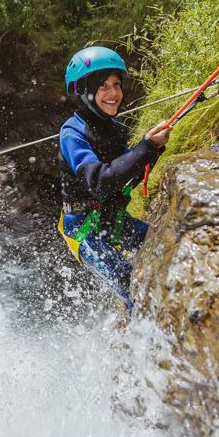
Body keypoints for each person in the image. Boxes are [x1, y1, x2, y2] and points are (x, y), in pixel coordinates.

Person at [58, 46, 170, 313]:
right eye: (103, 86)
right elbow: (98, 182)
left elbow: (126, 179)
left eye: (116, 85)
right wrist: (145, 148)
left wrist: (152, 150)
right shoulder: (72, 134)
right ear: (84, 90)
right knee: (133, 287)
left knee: (165, 246)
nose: (113, 93)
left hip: (113, 218)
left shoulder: (116, 130)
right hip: (84, 228)